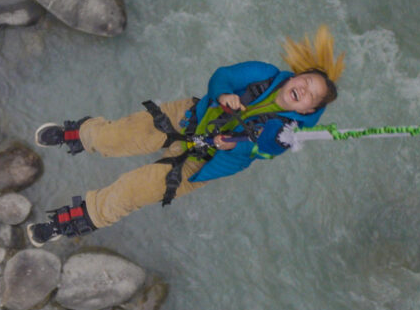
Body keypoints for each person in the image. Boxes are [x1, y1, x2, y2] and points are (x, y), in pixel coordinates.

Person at [26, 25, 346, 246]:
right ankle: (82, 134)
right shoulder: (263, 74)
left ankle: (68, 222)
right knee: (114, 139)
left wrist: (232, 143)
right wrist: (223, 95)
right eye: (306, 81)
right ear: (296, 75)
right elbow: (223, 76)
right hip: (186, 119)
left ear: (306, 111)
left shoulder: (286, 135)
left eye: (309, 96)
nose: (303, 89)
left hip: (201, 164)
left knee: (131, 193)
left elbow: (262, 149)